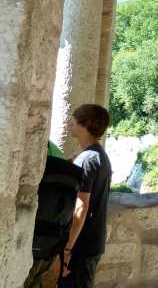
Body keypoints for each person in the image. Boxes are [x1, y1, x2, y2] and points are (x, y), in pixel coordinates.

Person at [53, 104, 112, 288]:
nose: (71, 123)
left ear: (86, 124)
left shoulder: (86, 161)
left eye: (75, 120)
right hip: (93, 240)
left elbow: (80, 207)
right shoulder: (100, 155)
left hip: (82, 244)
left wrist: (67, 249)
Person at [23, 141, 84, 288]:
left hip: (30, 239)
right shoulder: (57, 152)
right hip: (51, 242)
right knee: (34, 282)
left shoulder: (29, 147)